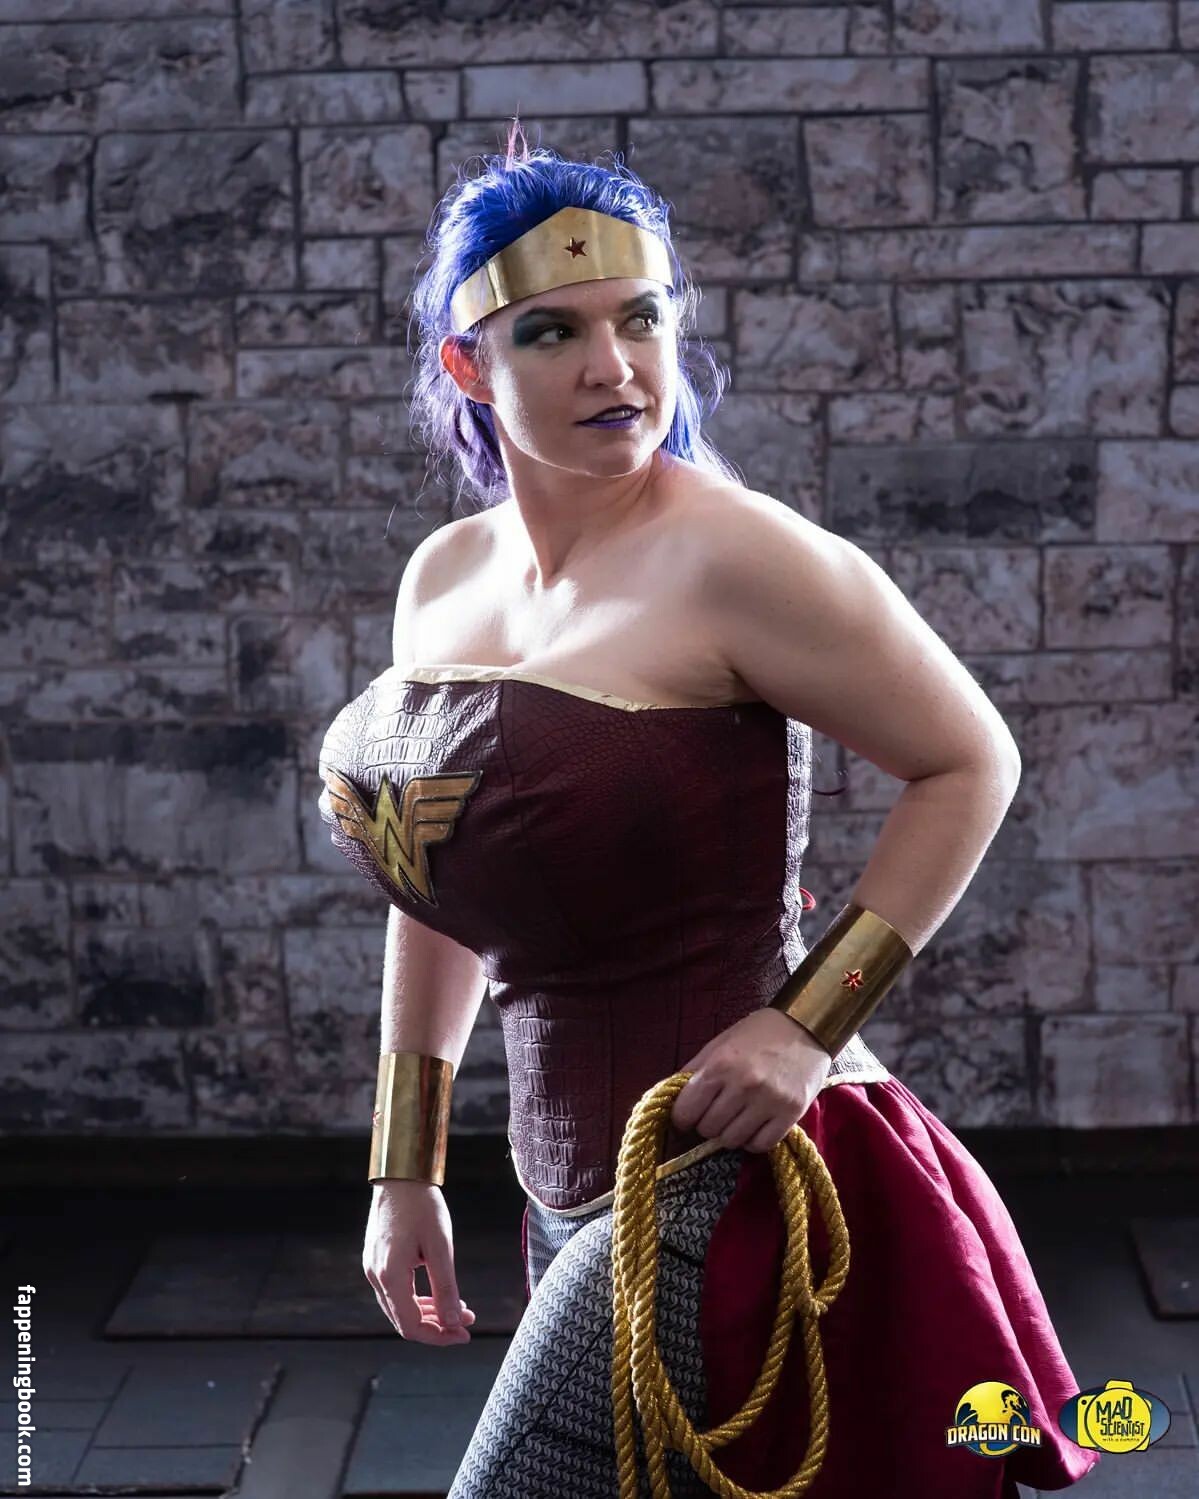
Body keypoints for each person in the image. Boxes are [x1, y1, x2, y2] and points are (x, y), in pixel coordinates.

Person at [317, 121, 1102, 1498]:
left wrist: (805, 1027)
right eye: (554, 332)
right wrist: (403, 1166)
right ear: (469, 365)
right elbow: (431, 874)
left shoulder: (742, 558)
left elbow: (971, 760)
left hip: (731, 1177)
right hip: (562, 1191)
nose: (613, 367)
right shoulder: (444, 578)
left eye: (642, 318)